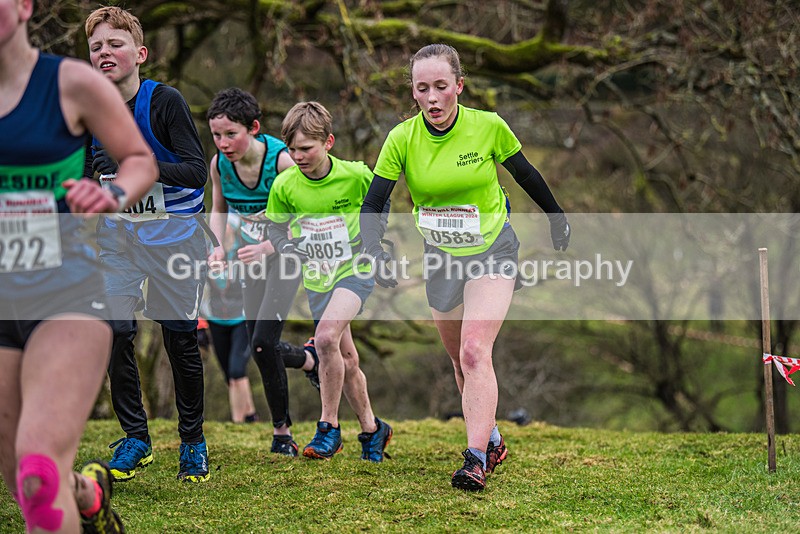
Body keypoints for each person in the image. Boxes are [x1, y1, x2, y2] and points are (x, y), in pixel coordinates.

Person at [359, 44, 571, 490]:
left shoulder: (487, 126)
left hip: (493, 250)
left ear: (458, 85)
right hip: (440, 258)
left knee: (475, 351)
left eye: (441, 86)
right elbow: (374, 201)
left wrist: (556, 216)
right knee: (459, 360)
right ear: (413, 92)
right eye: (422, 88)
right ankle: (491, 439)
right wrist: (373, 249)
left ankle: (475, 459)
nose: (432, 97)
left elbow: (526, 173)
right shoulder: (402, 138)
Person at [0, 0, 158, 530]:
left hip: (66, 296)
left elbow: (139, 160)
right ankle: (89, 496)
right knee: (24, 479)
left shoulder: (69, 83)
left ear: (24, 6)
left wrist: (111, 194)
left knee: (37, 475)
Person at [84, 6, 211, 482]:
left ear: (139, 54)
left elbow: (196, 172)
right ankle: (136, 438)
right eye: (96, 47)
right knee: (114, 330)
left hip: (175, 239)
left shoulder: (164, 102)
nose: (104, 52)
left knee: (179, 339)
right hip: (120, 240)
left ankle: (192, 442)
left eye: (114, 44)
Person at [266, 101, 393, 462]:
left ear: (328, 142)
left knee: (323, 339)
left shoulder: (355, 175)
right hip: (318, 277)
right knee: (346, 359)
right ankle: (372, 429)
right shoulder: (285, 184)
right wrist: (287, 247)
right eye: (291, 149)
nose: (298, 156)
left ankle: (328, 428)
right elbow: (275, 228)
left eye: (306, 148)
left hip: (355, 269)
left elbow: (381, 201)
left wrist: (374, 237)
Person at [206, 88, 319, 456]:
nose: (223, 143)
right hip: (250, 258)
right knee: (259, 346)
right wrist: (217, 246)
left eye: (231, 134)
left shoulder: (282, 161)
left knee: (263, 342)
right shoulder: (220, 165)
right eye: (216, 135)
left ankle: (282, 432)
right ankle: (309, 360)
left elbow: (307, 219)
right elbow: (219, 209)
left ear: (253, 128)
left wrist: (269, 246)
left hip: (286, 256)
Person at [200, 214, 259, 423]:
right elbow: (200, 288)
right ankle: (250, 415)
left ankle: (237, 422)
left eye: (226, 225)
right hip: (216, 319)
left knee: (237, 370)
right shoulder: (207, 253)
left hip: (242, 319)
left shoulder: (244, 252)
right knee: (230, 375)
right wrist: (200, 322)